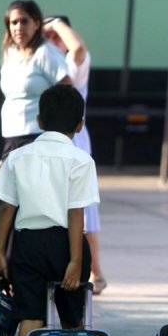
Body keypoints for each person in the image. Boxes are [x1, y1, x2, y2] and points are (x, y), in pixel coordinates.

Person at [0, 84, 99, 336]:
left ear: (38, 119)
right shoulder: (81, 159)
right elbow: (76, 213)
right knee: (73, 321)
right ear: (79, 124)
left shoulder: (18, 157)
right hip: (67, 244)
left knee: (30, 319)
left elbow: (6, 208)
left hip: (27, 244)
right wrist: (76, 261)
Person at [43, 15, 107, 295]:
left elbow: (78, 49)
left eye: (57, 35)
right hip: (47, 146)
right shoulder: (43, 62)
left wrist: (55, 23)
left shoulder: (72, 66)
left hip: (75, 146)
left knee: (85, 214)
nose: (53, 40)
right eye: (48, 35)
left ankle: (96, 272)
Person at [0, 0, 71, 167]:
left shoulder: (45, 52)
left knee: (31, 192)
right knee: (4, 193)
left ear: (37, 23)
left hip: (38, 138)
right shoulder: (10, 54)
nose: (18, 27)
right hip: (12, 137)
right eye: (13, 22)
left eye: (24, 21)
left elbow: (67, 91)